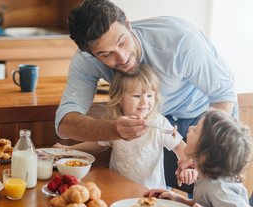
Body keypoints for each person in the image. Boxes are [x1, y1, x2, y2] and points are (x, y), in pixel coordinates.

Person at [55, 0, 237, 192]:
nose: (123, 57)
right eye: (107, 54)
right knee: (168, 195)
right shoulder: (85, 60)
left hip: (207, 116)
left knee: (214, 196)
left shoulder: (178, 41)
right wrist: (113, 129)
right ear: (90, 54)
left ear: (127, 21)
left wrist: (201, 144)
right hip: (157, 118)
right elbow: (65, 123)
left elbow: (224, 93)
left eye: (122, 42)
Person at [54, 64, 196, 189]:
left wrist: (186, 168)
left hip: (151, 194)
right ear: (120, 98)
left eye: (150, 95)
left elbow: (179, 146)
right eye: (136, 96)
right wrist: (70, 150)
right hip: (117, 191)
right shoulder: (115, 123)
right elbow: (98, 144)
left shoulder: (158, 123)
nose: (144, 102)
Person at [145, 110, 253, 207]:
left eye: (196, 130)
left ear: (204, 154)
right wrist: (178, 199)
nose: (190, 127)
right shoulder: (206, 179)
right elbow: (207, 205)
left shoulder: (218, 188)